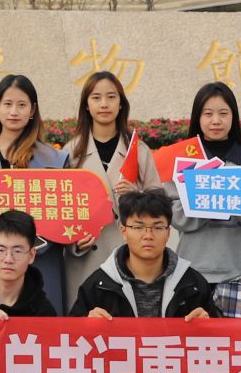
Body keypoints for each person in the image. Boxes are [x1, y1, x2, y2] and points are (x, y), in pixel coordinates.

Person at [59, 70, 164, 308]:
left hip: (130, 256)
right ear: (86, 105)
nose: (104, 104)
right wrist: (73, 242)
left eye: (111, 97)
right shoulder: (71, 152)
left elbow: (160, 205)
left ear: (121, 103)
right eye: (96, 98)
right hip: (86, 257)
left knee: (127, 323)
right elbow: (60, 209)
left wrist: (137, 197)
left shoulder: (138, 150)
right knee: (85, 322)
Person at [0, 74, 69, 304]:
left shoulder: (55, 160)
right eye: (7, 104)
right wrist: (0, 224)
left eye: (21, 105)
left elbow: (65, 206)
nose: (14, 112)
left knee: (41, 319)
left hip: (41, 253)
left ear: (32, 110)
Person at [165, 81, 241, 285]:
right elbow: (173, 213)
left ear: (233, 116)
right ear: (197, 117)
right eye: (208, 114)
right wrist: (212, 203)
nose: (216, 121)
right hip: (192, 268)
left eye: (223, 113)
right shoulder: (183, 158)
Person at [71, 188, 217, 319]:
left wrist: (207, 325)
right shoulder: (99, 285)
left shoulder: (193, 284)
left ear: (168, 233)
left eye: (158, 227)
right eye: (138, 227)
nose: (148, 235)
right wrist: (86, 324)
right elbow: (71, 333)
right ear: (124, 231)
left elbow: (218, 334)